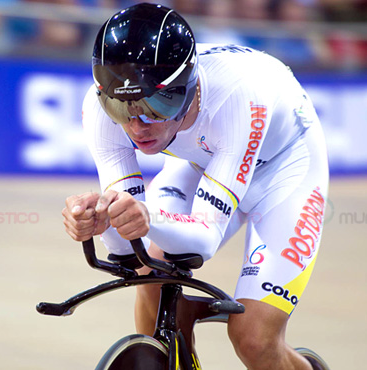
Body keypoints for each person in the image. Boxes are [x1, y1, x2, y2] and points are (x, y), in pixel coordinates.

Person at [62, 3, 330, 369]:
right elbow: (126, 248)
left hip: (285, 170)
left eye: (156, 105)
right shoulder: (99, 108)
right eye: (123, 109)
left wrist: (143, 218)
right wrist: (101, 221)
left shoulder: (238, 94)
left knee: (253, 338)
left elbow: (202, 241)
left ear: (187, 89)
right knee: (150, 278)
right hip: (208, 159)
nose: (138, 125)